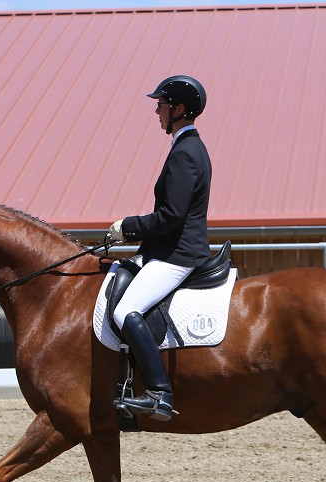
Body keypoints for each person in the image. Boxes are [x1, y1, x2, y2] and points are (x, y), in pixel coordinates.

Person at [107, 74, 212, 422]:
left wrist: (128, 226)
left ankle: (158, 393)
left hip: (179, 255)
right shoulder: (185, 148)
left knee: (125, 311)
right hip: (166, 250)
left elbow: (171, 216)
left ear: (178, 109)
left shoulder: (186, 153)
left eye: (161, 105)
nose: (156, 112)